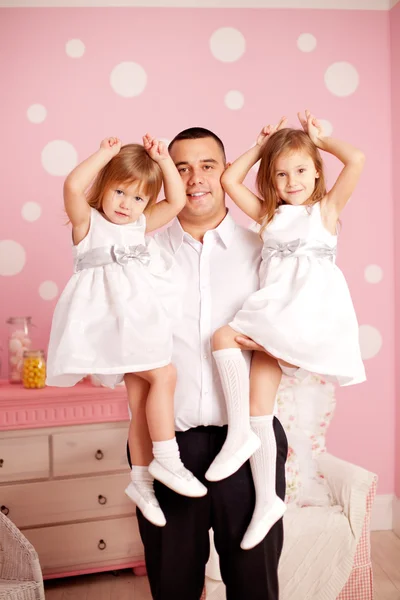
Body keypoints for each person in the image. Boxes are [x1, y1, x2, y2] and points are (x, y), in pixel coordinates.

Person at [127, 127, 287, 600]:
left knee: (254, 585)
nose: (195, 178)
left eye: (208, 165)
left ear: (226, 171)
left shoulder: (265, 250)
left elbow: (292, 336)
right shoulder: (137, 254)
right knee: (173, 586)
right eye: (181, 168)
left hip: (248, 445)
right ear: (166, 178)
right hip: (168, 448)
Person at [206, 110, 366, 550]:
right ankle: (266, 499)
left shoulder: (326, 211)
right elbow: (229, 181)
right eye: (280, 174)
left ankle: (240, 435)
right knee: (254, 399)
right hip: (271, 321)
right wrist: (261, 145)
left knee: (231, 346)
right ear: (271, 182)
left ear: (316, 173)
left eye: (300, 170)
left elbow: (355, 160)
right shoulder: (269, 217)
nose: (292, 180)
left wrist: (321, 139)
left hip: (302, 322)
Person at [46, 135, 207, 528]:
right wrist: (103, 154)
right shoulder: (88, 223)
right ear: (103, 186)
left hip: (135, 325)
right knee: (165, 374)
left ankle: (141, 481)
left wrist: (163, 159)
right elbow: (71, 185)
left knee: (139, 401)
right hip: (106, 327)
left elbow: (175, 202)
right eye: (119, 191)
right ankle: (168, 460)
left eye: (138, 198)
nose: (126, 204)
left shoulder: (137, 225)